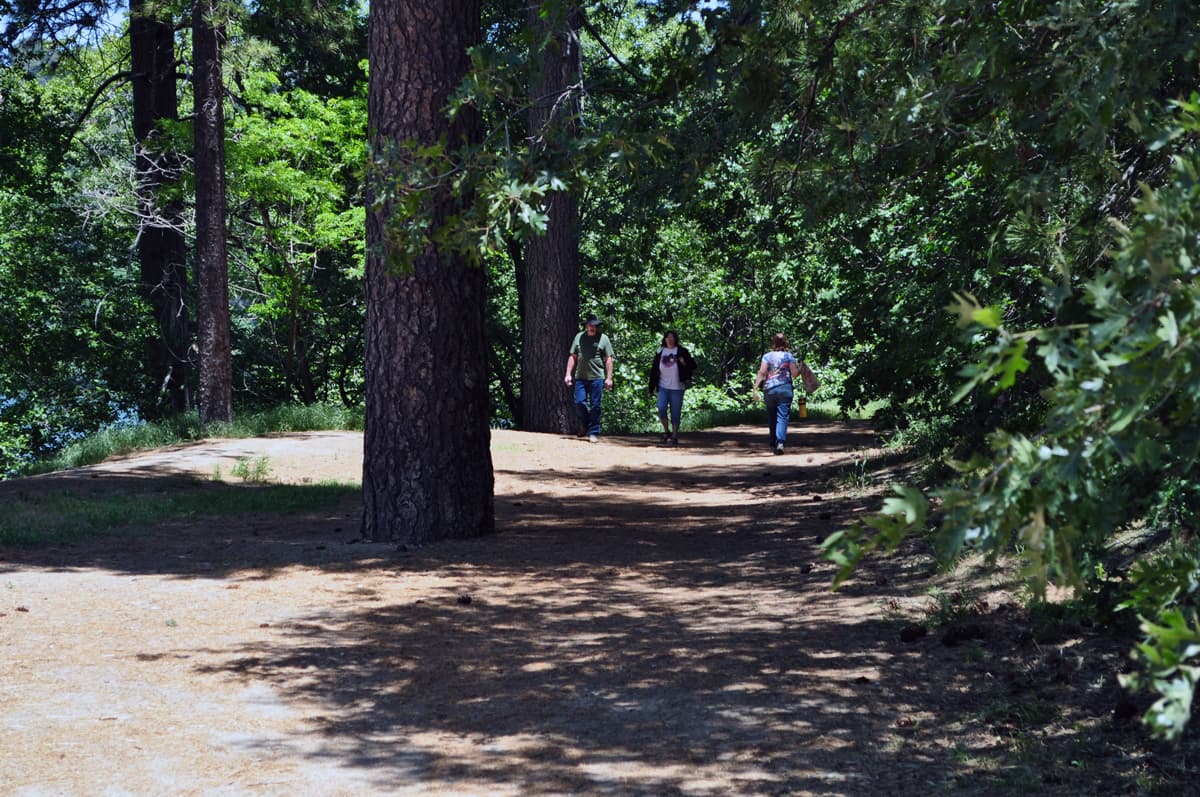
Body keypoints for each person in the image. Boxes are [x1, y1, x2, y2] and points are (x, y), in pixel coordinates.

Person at [564, 315, 614, 443]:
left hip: (597, 377)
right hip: (580, 377)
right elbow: (573, 356)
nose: (592, 327)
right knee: (579, 402)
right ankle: (585, 424)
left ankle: (593, 432)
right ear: (586, 326)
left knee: (595, 406)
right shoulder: (579, 337)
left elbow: (608, 359)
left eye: (594, 325)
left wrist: (609, 378)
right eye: (590, 325)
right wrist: (568, 374)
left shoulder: (603, 339)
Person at [752, 332, 801, 454]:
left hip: (769, 389)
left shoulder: (767, 356)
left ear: (773, 343)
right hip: (785, 389)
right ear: (786, 343)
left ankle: (772, 442)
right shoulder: (789, 356)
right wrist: (801, 367)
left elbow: (762, 373)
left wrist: (755, 389)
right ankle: (780, 442)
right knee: (782, 416)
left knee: (772, 416)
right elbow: (794, 374)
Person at [647, 330, 696, 445]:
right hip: (662, 386)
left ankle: (674, 436)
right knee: (661, 408)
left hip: (677, 387)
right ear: (664, 339)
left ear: (675, 339)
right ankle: (666, 431)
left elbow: (693, 366)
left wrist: (684, 363)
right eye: (667, 337)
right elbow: (654, 371)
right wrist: (651, 388)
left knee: (675, 412)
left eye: (672, 337)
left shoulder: (682, 351)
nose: (670, 339)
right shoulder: (660, 352)